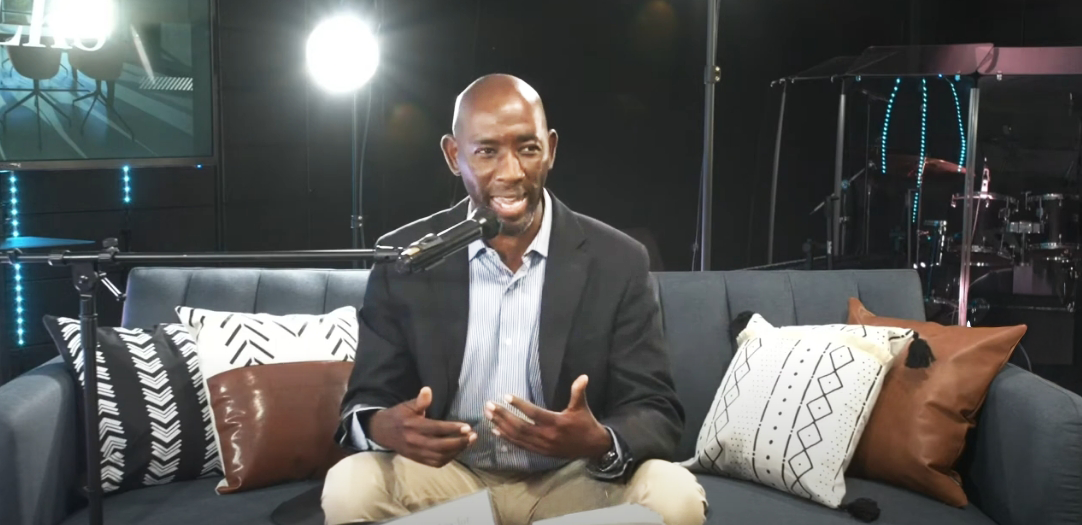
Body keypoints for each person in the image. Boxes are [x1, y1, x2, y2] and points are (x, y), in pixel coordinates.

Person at [322, 73, 707, 525]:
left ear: (551, 148)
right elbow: (366, 398)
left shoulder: (618, 260)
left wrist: (598, 439)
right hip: (448, 479)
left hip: (574, 481)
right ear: (453, 154)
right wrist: (384, 426)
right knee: (351, 487)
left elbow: (656, 410)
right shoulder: (408, 256)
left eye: (527, 148)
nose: (511, 172)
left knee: (674, 496)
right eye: (487, 151)